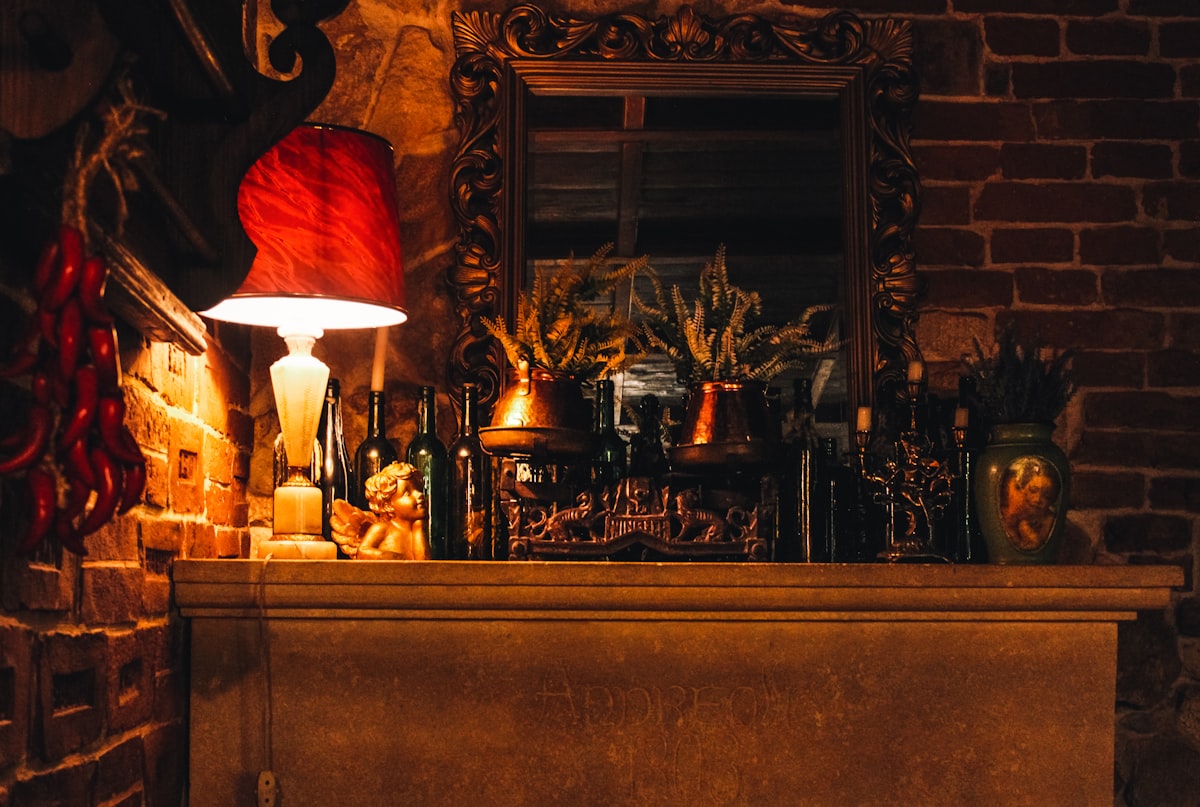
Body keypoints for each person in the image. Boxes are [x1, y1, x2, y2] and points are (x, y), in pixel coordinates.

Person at [330, 462, 431, 559]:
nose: (420, 495)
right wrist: (396, 558)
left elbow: (424, 565)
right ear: (388, 505)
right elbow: (363, 552)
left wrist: (419, 529)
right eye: (407, 493)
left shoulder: (416, 530)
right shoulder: (382, 528)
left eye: (419, 489)